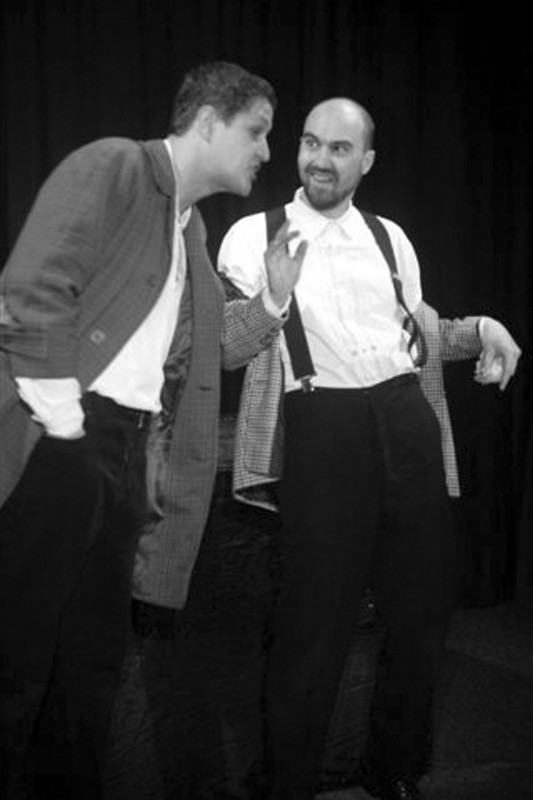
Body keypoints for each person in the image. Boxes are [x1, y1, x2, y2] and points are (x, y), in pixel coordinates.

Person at [0, 61, 306, 799]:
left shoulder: (188, 228)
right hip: (66, 437)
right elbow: (32, 288)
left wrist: (272, 300)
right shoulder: (114, 166)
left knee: (90, 664)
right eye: (257, 131)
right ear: (208, 121)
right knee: (16, 653)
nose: (267, 151)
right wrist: (68, 426)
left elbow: (210, 347)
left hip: (125, 452)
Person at [217, 97, 520, 800]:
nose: (320, 160)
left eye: (339, 149)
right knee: (312, 627)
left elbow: (413, 339)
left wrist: (483, 329)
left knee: (420, 615)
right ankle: (287, 784)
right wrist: (272, 300)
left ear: (367, 161)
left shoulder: (390, 238)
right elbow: (226, 347)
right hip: (321, 423)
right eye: (310, 143)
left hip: (404, 418)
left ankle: (394, 770)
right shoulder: (252, 236)